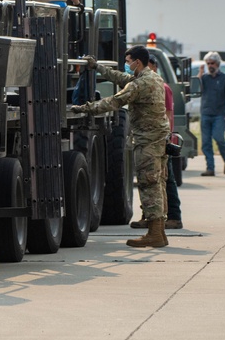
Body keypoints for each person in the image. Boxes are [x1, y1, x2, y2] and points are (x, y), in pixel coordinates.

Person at [71, 46, 171, 247]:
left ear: (138, 62)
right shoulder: (152, 78)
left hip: (148, 142)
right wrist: (98, 66)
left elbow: (114, 102)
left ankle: (155, 234)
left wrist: (85, 108)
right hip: (157, 139)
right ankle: (158, 231)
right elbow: (120, 78)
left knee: (148, 184)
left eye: (128, 61)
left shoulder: (140, 84)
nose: (127, 65)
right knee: (157, 184)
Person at [132, 58, 183, 229]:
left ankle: (174, 217)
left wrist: (165, 138)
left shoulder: (162, 87)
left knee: (165, 180)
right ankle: (149, 216)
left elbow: (167, 115)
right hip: (153, 140)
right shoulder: (147, 84)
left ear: (153, 66)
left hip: (160, 141)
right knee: (150, 181)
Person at [198, 51, 225, 177]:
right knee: (206, 143)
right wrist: (200, 73)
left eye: (212, 63)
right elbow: (197, 88)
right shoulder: (204, 78)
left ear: (217, 63)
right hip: (205, 114)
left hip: (219, 114)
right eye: (208, 63)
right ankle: (210, 168)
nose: (210, 65)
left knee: (219, 138)